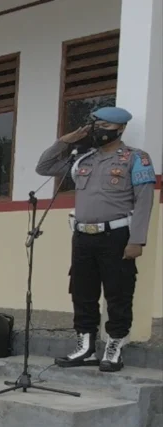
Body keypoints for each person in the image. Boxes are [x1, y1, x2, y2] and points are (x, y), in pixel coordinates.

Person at [36, 106, 156, 373]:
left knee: (118, 293)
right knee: (82, 292)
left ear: (120, 129)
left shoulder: (135, 159)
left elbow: (145, 201)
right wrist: (65, 141)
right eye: (96, 125)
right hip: (82, 236)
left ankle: (114, 346)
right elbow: (43, 167)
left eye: (105, 126)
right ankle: (86, 346)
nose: (98, 130)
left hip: (117, 236)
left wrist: (137, 240)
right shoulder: (83, 159)